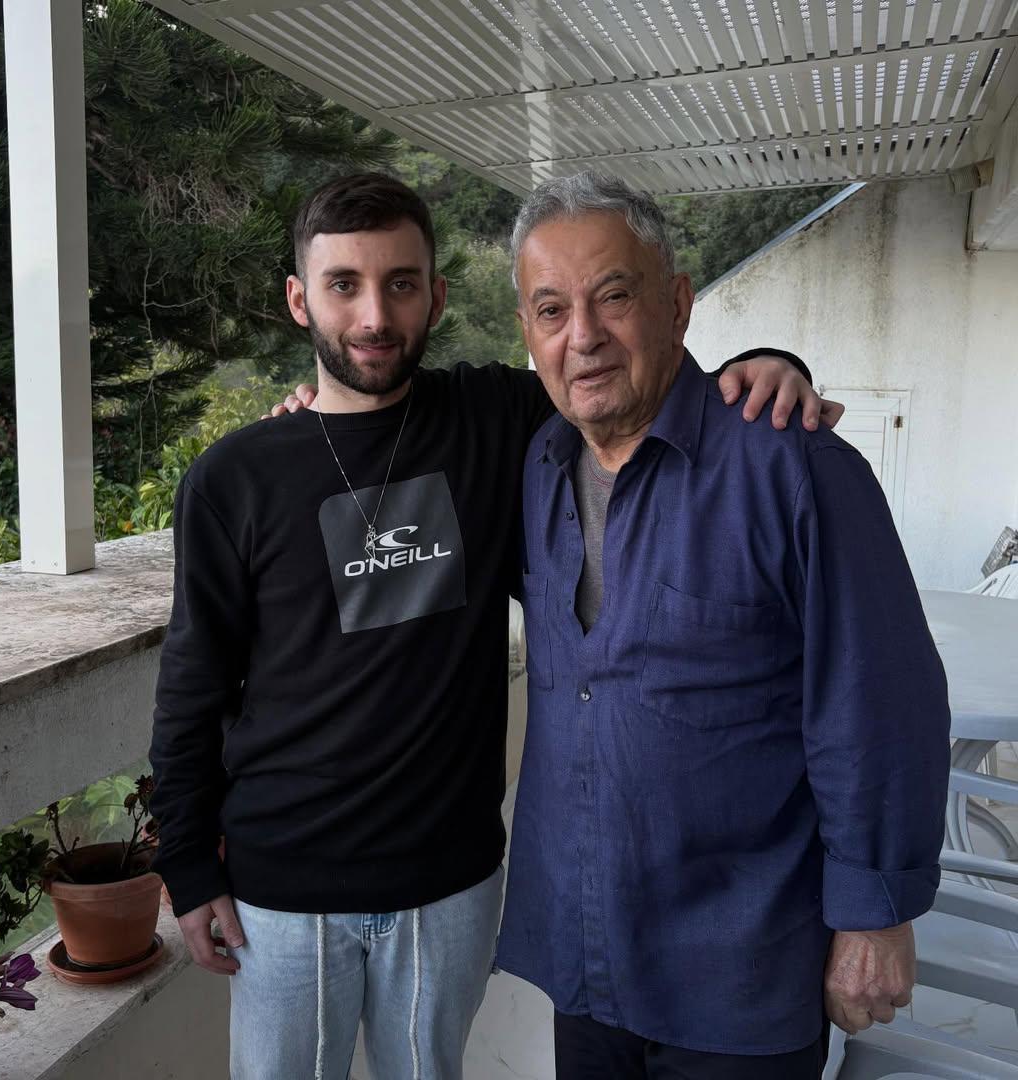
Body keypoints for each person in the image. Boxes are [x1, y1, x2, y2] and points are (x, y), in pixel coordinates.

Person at [149, 172, 833, 1080]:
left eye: (400, 283)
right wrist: (190, 864)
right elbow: (193, 681)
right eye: (342, 284)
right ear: (297, 299)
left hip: (449, 885)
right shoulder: (236, 478)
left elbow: (620, 372)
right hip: (283, 893)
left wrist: (772, 364)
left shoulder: (499, 418)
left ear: (436, 294)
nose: (372, 317)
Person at [495, 170, 952, 1080]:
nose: (581, 335)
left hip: (739, 975)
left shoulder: (795, 467)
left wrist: (876, 914)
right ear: (529, 334)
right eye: (551, 311)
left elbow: (881, 703)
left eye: (613, 297)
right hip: (585, 962)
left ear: (677, 303)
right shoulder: (535, 472)